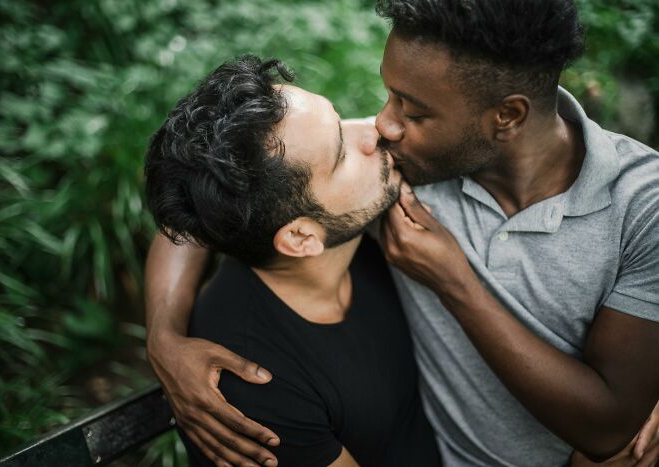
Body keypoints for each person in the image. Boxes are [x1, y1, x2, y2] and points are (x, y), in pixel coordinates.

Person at [144, 1, 659, 466]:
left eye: (411, 110)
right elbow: (215, 203)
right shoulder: (400, 167)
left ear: (507, 116)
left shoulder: (641, 206)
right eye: (390, 97)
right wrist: (164, 338)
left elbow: (610, 426)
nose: (382, 125)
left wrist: (452, 279)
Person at [144, 56, 442, 466]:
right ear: (301, 238)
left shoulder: (342, 225)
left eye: (338, 118)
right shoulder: (253, 387)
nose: (375, 130)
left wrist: (162, 335)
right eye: (341, 154)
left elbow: (190, 216)